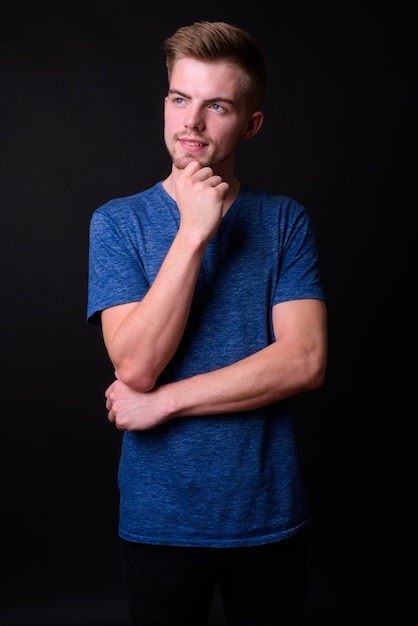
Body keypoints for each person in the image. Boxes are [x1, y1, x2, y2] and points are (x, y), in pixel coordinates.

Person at [87, 20, 327, 626]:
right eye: (179, 99)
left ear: (250, 124)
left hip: (268, 516)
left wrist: (164, 403)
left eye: (216, 105)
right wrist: (194, 229)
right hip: (159, 519)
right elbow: (135, 366)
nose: (190, 123)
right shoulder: (117, 224)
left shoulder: (284, 222)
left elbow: (304, 361)